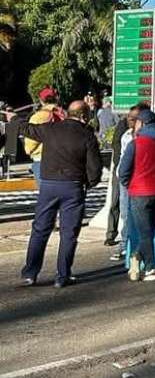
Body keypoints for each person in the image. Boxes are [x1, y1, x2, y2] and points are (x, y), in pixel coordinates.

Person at [20, 101, 102, 288]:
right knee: (68, 233)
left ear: (67, 113)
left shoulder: (50, 129)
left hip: (48, 185)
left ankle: (30, 273)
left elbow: (25, 128)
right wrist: (88, 184)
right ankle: (62, 275)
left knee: (40, 229)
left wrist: (18, 117)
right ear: (84, 116)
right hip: (73, 186)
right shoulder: (87, 136)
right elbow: (94, 169)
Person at [118, 109, 155, 282]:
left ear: (141, 123)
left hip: (140, 193)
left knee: (144, 232)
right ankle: (136, 256)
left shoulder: (135, 144)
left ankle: (150, 268)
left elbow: (123, 172)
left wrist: (130, 185)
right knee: (149, 230)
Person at [108, 105, 140, 260]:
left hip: (137, 179)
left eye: (133, 119)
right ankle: (126, 244)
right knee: (125, 213)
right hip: (124, 179)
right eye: (128, 118)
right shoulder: (126, 135)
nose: (130, 121)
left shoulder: (143, 137)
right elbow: (121, 156)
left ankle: (128, 245)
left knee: (136, 214)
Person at [24, 87, 64, 186]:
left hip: (42, 159)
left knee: (47, 194)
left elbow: (31, 140)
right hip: (63, 158)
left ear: (41, 101)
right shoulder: (64, 114)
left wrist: (28, 151)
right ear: (56, 98)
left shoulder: (37, 117)